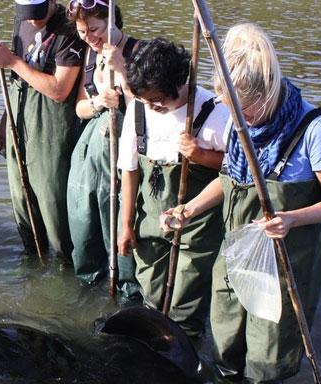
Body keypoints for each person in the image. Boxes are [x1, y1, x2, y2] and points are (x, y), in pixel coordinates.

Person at [162, 23, 321, 382]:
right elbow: (230, 180)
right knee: (225, 345)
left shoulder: (318, 131)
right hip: (236, 256)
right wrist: (190, 209)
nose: (237, 120)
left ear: (266, 95)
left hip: (284, 268)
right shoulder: (239, 125)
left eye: (244, 111)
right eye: (231, 111)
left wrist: (291, 218)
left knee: (267, 360)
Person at [117, 37, 230, 336]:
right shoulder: (138, 109)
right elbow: (129, 170)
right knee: (152, 292)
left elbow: (239, 171)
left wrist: (202, 156)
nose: (151, 108)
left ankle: (187, 349)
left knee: (186, 302)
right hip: (151, 220)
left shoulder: (214, 113)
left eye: (157, 102)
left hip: (198, 226)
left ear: (179, 84)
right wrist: (126, 224)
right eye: (145, 101)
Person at [0, 0, 85, 260]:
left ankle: (64, 261)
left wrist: (13, 62)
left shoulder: (69, 27)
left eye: (38, 15)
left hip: (50, 125)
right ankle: (31, 257)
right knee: (20, 195)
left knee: (52, 198)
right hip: (19, 116)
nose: (32, 21)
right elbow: (16, 80)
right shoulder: (22, 20)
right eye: (26, 15)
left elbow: (60, 90)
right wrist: (5, 122)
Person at [65, 1, 142, 300]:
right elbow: (80, 107)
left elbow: (145, 109)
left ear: (112, 23)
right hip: (88, 151)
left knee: (117, 222)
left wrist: (121, 70)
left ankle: (128, 291)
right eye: (83, 31)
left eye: (94, 29)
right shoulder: (88, 53)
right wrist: (99, 102)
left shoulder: (137, 51)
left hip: (121, 153)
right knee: (82, 220)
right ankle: (89, 287)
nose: (89, 37)